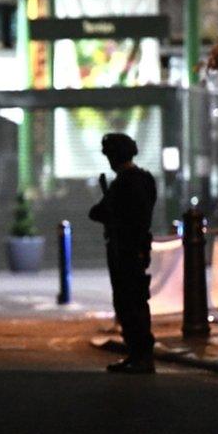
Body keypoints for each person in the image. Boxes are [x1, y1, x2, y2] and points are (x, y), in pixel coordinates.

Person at [88, 133, 157, 374]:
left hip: (126, 247)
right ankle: (136, 354)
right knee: (133, 300)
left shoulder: (124, 183)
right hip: (134, 246)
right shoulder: (145, 179)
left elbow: (98, 212)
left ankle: (141, 355)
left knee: (130, 302)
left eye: (109, 155)